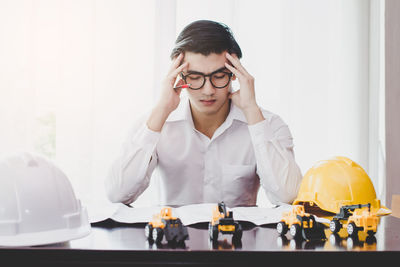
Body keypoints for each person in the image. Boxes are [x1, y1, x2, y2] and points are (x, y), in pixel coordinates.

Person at [105, 20, 302, 208]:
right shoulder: (155, 124)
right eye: (195, 77)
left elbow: (288, 196)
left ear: (235, 72)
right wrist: (162, 109)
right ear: (179, 75)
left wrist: (251, 110)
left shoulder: (268, 124)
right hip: (173, 241)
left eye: (218, 76)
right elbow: (118, 194)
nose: (208, 90)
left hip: (238, 241)